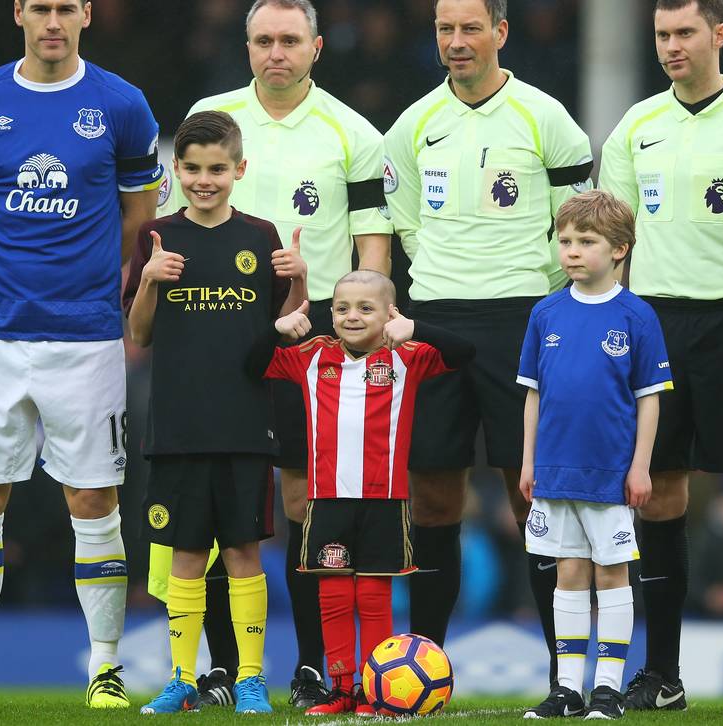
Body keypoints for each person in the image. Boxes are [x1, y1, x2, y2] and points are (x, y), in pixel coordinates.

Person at [0, 0, 164, 709]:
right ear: (19, 12)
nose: (53, 20)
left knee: (94, 498)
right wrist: (11, 265)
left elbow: (138, 215)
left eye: (66, 8)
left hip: (85, 336)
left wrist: (85, 275)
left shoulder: (121, 104)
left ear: (86, 14)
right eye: (40, 7)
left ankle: (105, 668)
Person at [155, 0, 392, 707]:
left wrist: (369, 320)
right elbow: (172, 225)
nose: (276, 53)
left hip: (309, 338)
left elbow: (371, 238)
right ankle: (224, 670)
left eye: (290, 40)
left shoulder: (351, 131)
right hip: (216, 338)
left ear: (316, 47)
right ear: (247, 45)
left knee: (297, 500)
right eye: (263, 40)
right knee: (222, 506)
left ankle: (311, 664)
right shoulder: (213, 114)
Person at [382, 0, 594, 689]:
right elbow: (408, 228)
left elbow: (578, 226)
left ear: (500, 32)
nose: (457, 41)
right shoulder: (413, 125)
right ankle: (424, 668)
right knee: (433, 498)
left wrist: (537, 295)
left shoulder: (545, 117)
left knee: (529, 493)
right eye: (446, 28)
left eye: (471, 27)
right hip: (436, 320)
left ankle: (564, 673)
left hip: (523, 321)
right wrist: (443, 288)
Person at [595, 0, 723, 711]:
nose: (672, 46)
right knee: (658, 487)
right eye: (662, 35)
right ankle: (662, 673)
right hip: (658, 321)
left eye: (684, 33)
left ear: (720, 35)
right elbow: (612, 240)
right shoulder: (635, 127)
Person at [125, 110, 307, 715]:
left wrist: (301, 282)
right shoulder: (156, 236)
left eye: (218, 169)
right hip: (176, 425)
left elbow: (291, 329)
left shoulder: (261, 236)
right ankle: (183, 675)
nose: (205, 180)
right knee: (183, 554)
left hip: (245, 424)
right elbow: (140, 334)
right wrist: (149, 281)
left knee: (242, 552)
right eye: (194, 168)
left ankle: (250, 679)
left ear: (239, 169)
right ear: (176, 169)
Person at [252, 270, 473, 715]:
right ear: (329, 313)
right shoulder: (311, 354)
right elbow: (251, 364)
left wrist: (416, 327)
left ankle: (374, 690)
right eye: (341, 308)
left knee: (374, 596)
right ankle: (339, 688)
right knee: (333, 595)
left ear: (390, 313)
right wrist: (274, 332)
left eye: (366, 308)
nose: (352, 317)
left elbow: (465, 352)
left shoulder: (408, 355)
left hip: (385, 501)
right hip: (327, 499)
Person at [519, 191, 671, 721]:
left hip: (610, 472)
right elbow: (534, 393)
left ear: (620, 250)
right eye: (565, 241)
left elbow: (648, 397)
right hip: (556, 471)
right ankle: (567, 689)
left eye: (587, 242)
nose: (573, 252)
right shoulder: (546, 312)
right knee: (568, 572)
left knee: (612, 574)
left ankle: (607, 689)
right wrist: (528, 462)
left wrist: (641, 465)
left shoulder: (637, 315)